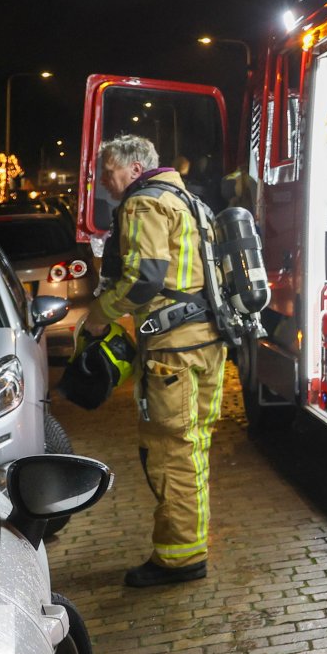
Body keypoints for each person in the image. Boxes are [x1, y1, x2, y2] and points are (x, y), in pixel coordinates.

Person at [80, 134, 225, 587]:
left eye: (109, 172)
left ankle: (179, 560)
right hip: (205, 341)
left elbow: (144, 280)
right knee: (193, 448)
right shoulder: (189, 201)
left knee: (170, 452)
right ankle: (189, 546)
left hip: (172, 353)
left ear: (136, 167)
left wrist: (99, 316)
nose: (105, 183)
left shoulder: (145, 204)